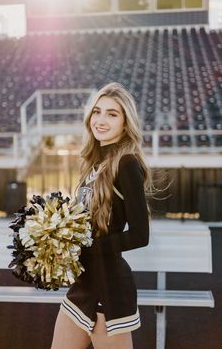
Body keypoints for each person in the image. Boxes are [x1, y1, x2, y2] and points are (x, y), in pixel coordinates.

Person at [51, 82, 150, 349]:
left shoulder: (127, 164)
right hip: (83, 284)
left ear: (125, 122)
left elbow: (141, 235)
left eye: (112, 114)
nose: (101, 120)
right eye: (97, 112)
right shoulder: (94, 163)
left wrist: (85, 248)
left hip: (109, 288)